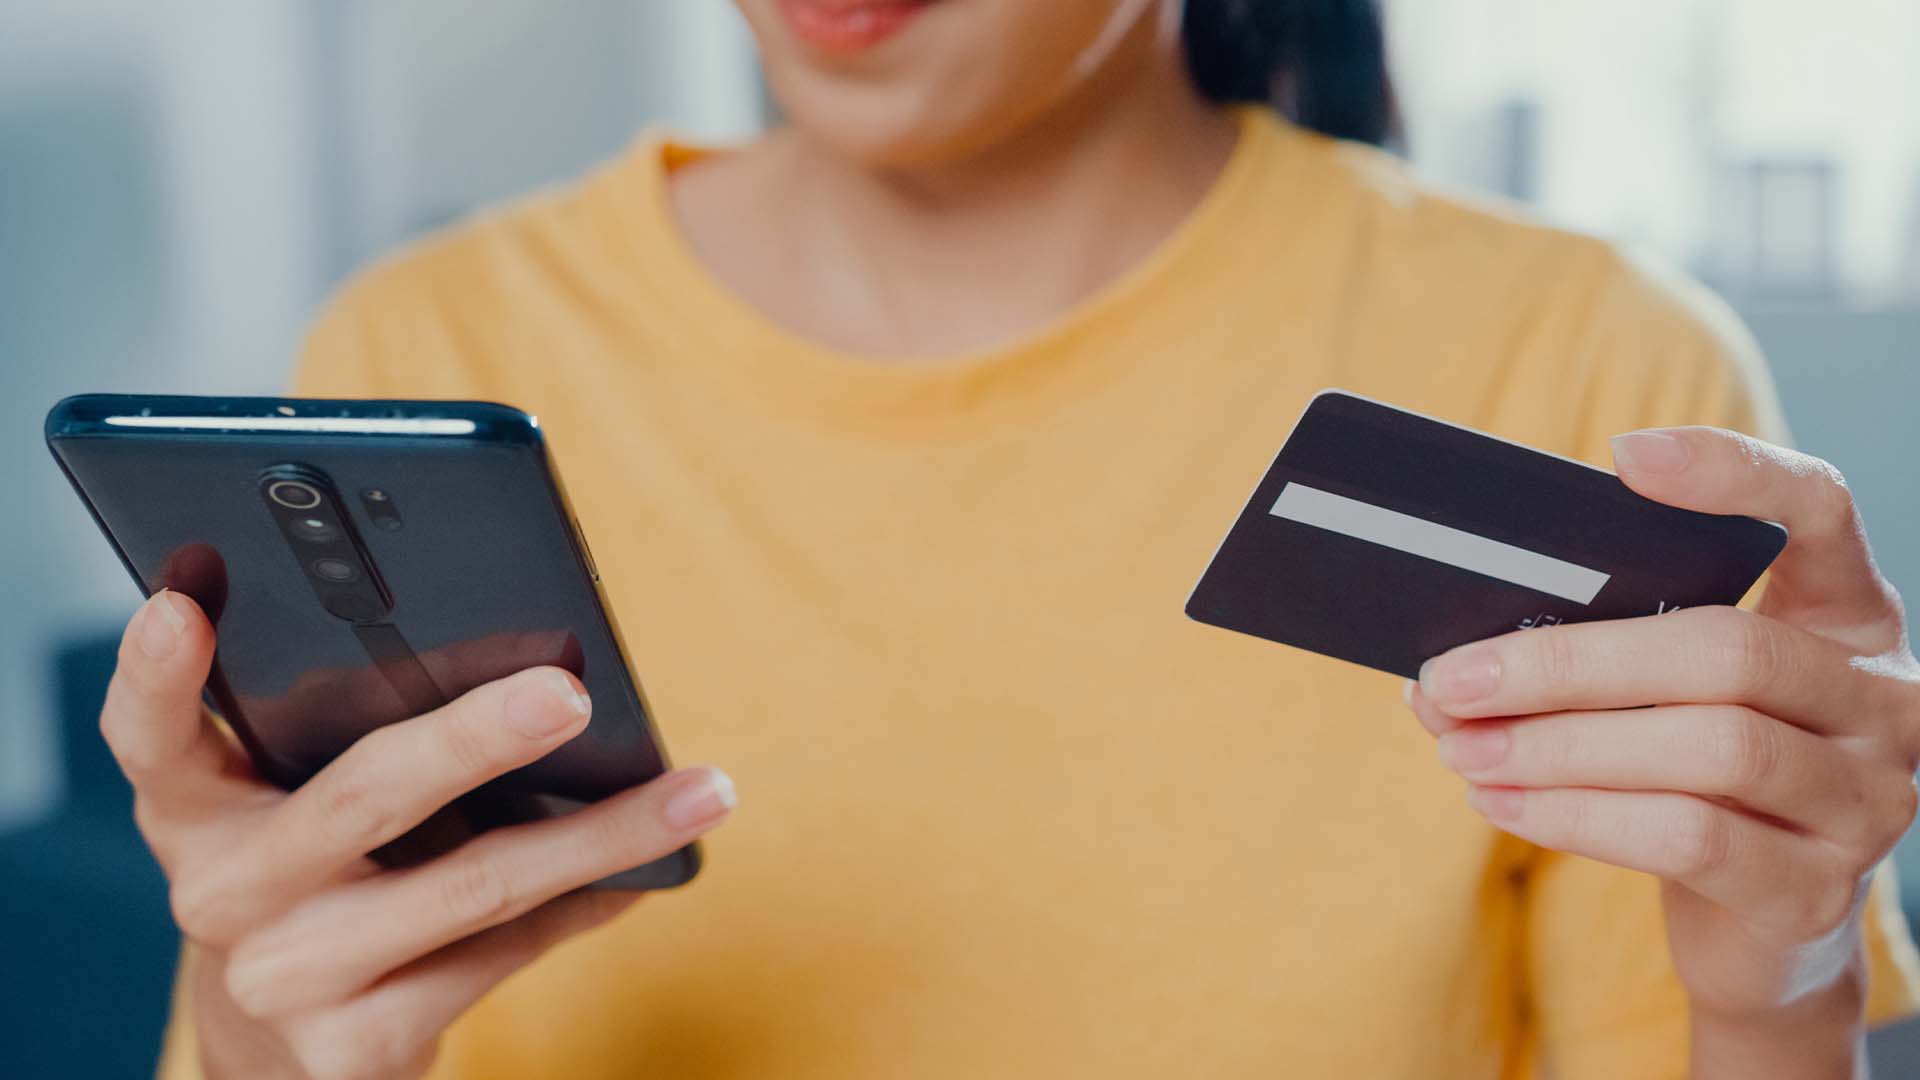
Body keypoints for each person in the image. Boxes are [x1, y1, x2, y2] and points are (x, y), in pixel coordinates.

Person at [105, 1, 1920, 1076]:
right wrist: (265, 1015)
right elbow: (296, 1022)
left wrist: (1791, 973)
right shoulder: (419, 358)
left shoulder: (1585, 366)